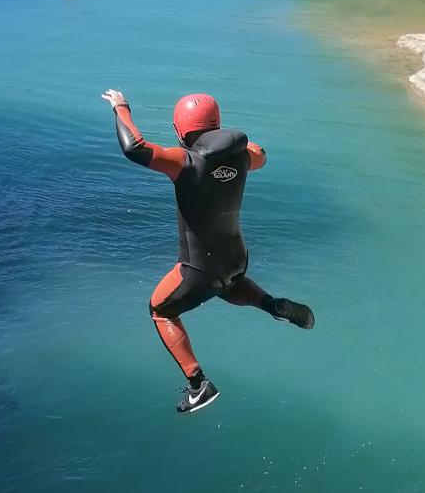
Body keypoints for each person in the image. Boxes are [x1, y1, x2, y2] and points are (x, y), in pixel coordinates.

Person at [103, 88, 315, 415]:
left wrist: (121, 109)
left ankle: (198, 384)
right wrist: (240, 146)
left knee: (160, 309)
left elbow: (136, 148)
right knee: (227, 286)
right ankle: (272, 304)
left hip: (198, 267)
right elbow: (261, 153)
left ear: (180, 130)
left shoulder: (185, 162)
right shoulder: (243, 158)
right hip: (236, 258)